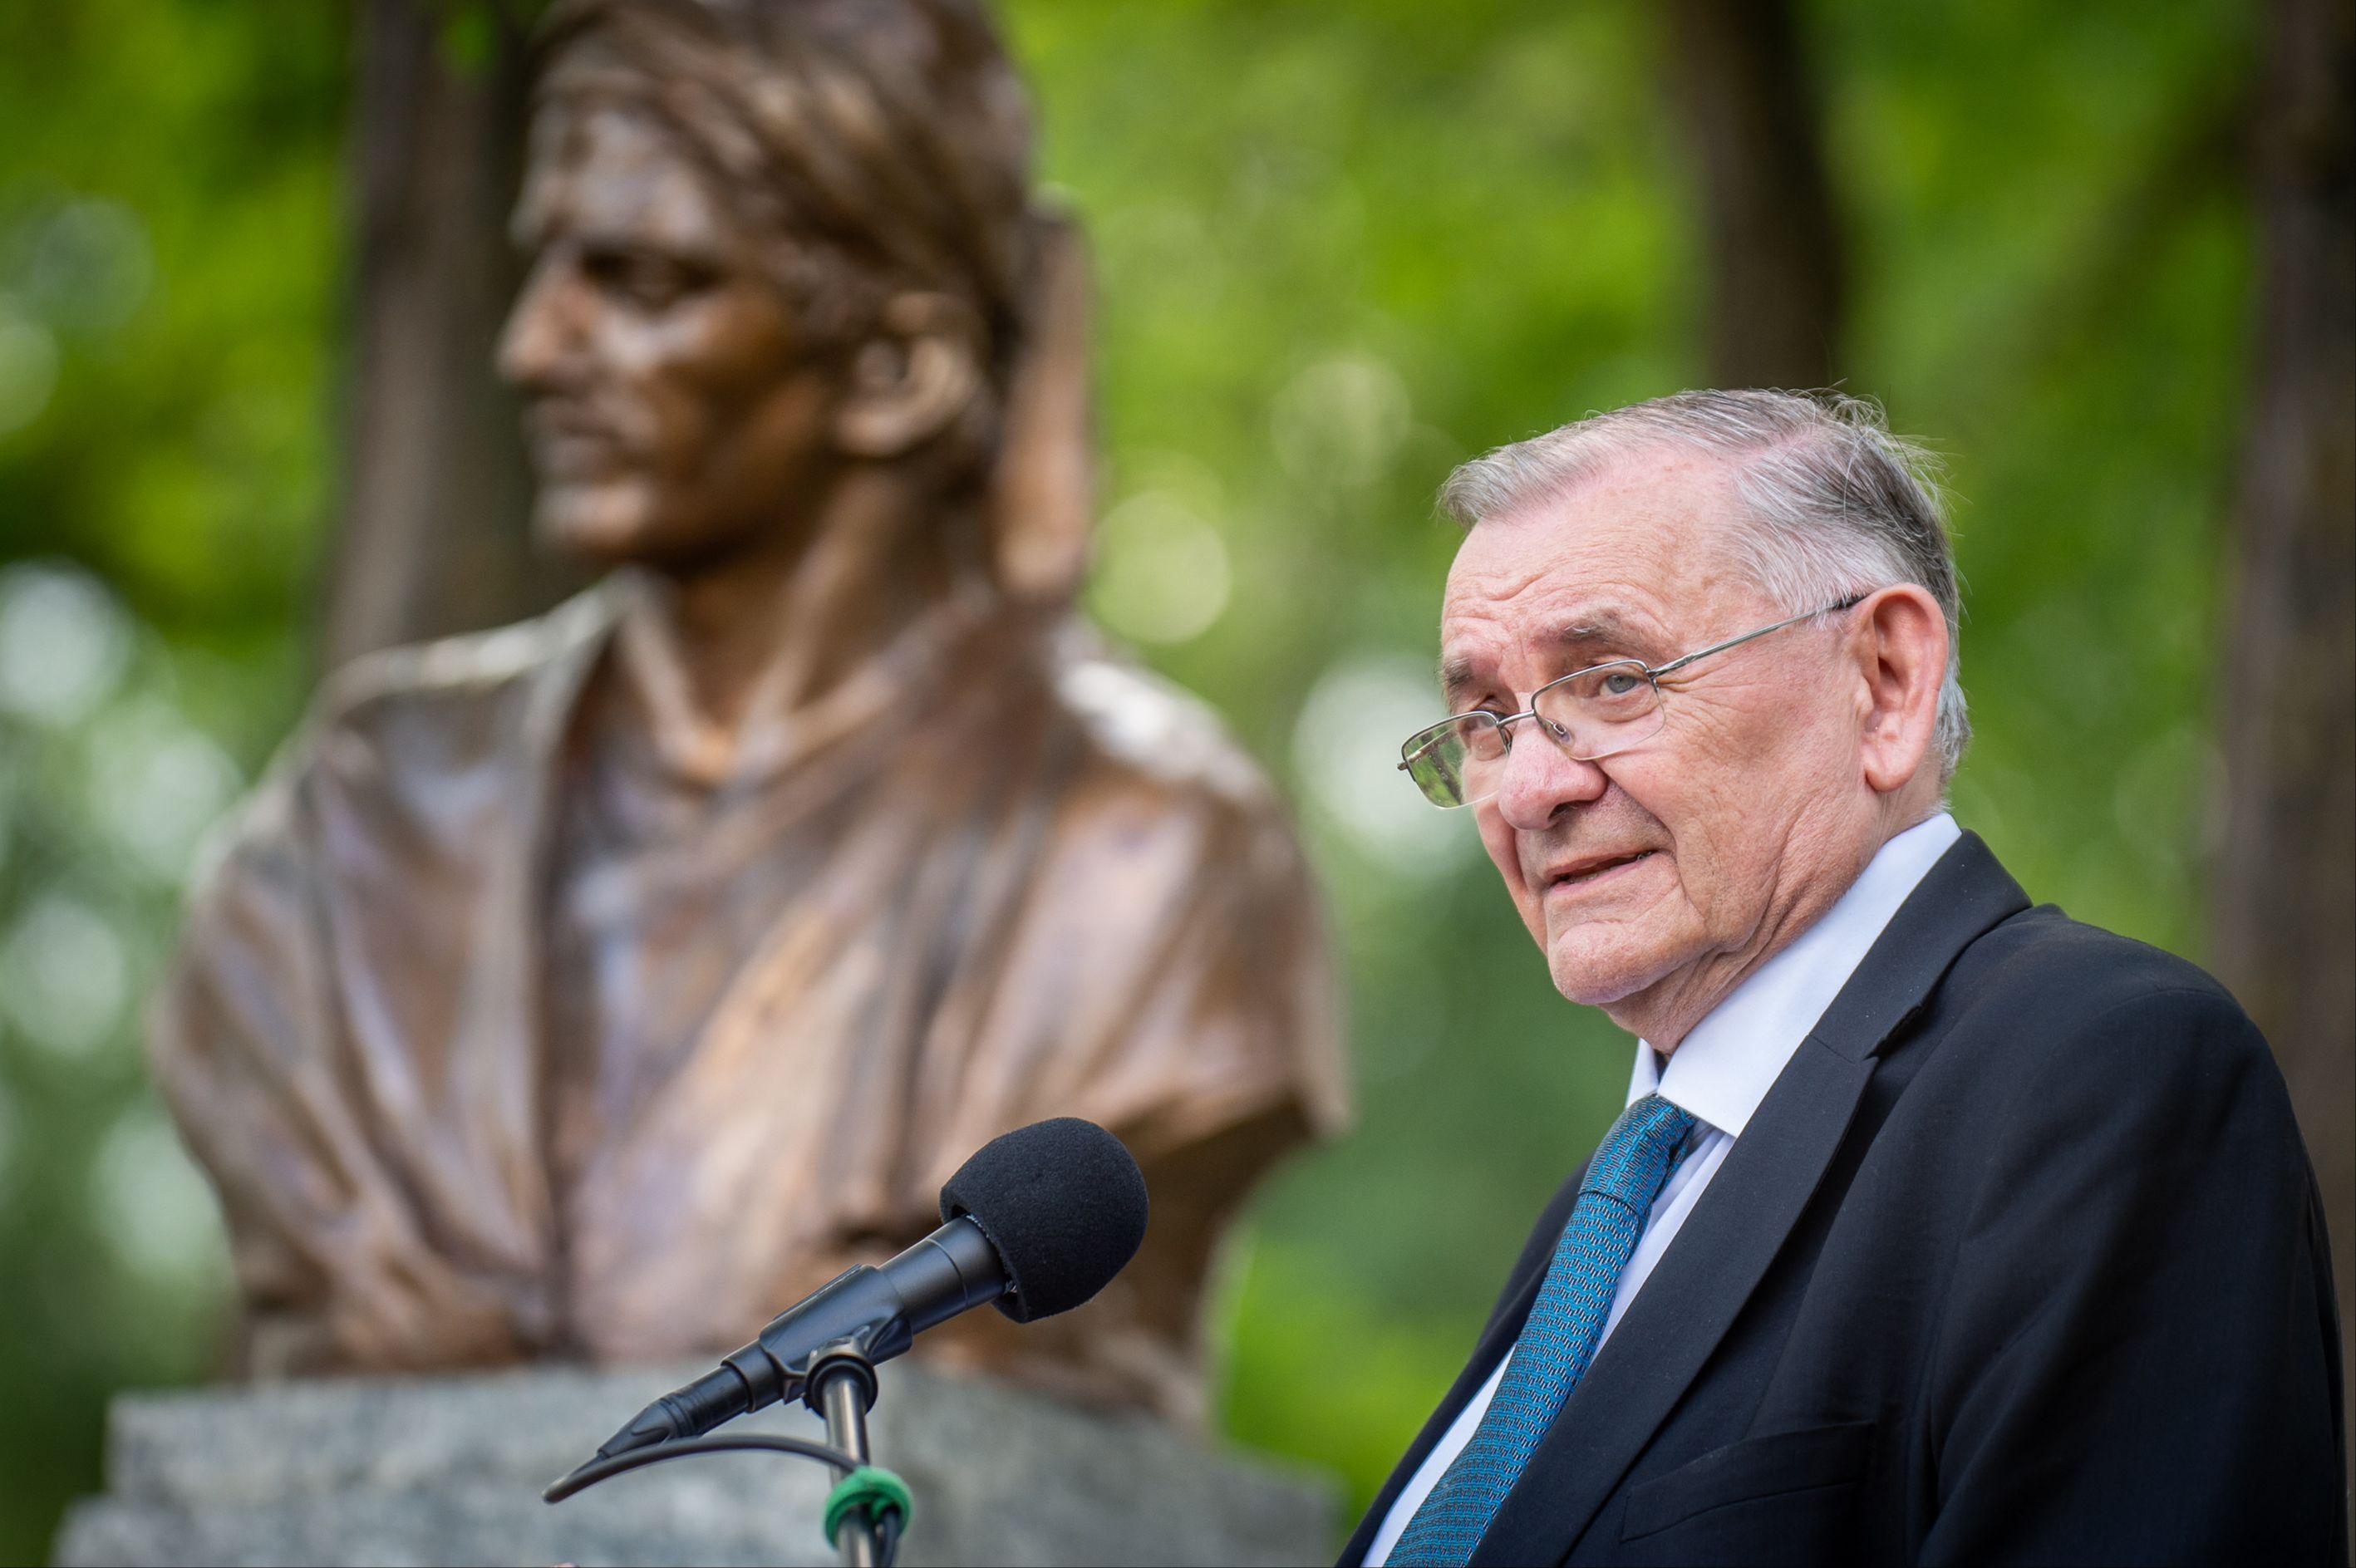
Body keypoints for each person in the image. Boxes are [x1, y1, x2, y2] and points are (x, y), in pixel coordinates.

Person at [150, 0, 1345, 1424]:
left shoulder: (1152, 859)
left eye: (644, 281)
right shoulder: (355, 830)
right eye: (546, 266)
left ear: (896, 371)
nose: (534, 347)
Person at [1348, 390, 2344, 1565]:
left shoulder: (2098, 1077)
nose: (1527, 790)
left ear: (1884, 681)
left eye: (1613, 680)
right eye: (1484, 721)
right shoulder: (1602, 1215)